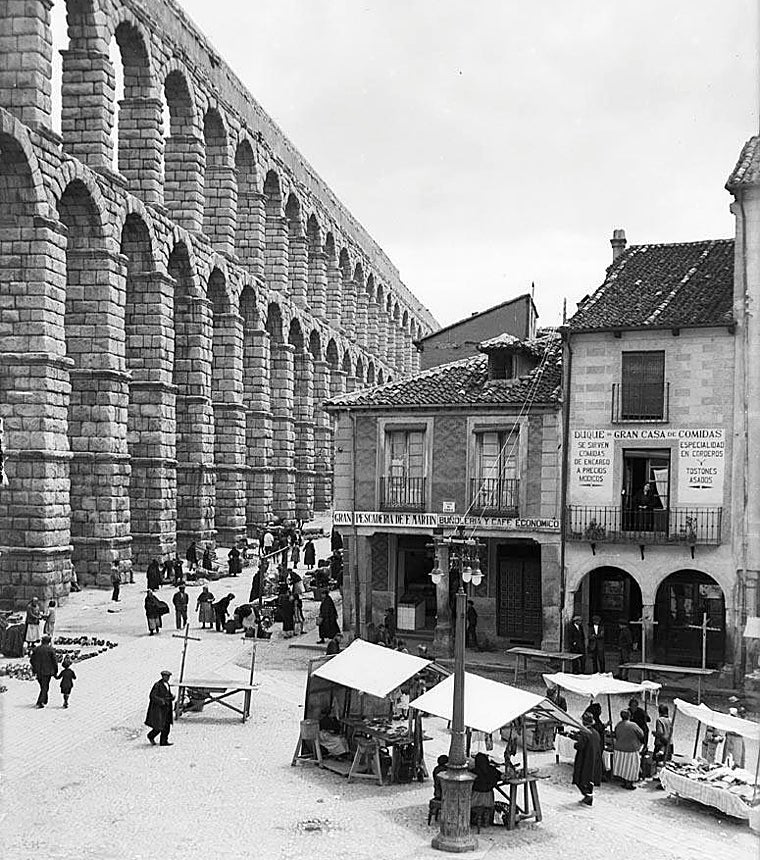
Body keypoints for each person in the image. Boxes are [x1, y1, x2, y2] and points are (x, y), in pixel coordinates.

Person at [573, 711, 603, 805]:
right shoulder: (596, 733)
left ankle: (588, 795)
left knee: (580, 778)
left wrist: (575, 744)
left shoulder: (585, 733)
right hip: (594, 758)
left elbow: (580, 746)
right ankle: (589, 796)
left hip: (584, 758)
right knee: (590, 778)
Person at [613, 709, 644, 789]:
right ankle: (628, 783)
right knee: (631, 767)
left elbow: (616, 735)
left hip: (619, 748)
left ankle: (624, 781)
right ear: (630, 716)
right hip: (631, 749)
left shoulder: (618, 725)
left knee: (623, 766)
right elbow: (641, 734)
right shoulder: (633, 725)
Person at [145, 670, 175, 746]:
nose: (167, 678)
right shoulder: (157, 685)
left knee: (167, 725)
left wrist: (171, 697)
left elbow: (167, 694)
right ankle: (151, 735)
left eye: (168, 677)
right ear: (162, 676)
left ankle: (164, 741)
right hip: (159, 709)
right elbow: (152, 696)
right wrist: (161, 701)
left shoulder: (167, 684)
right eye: (166, 676)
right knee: (159, 726)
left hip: (167, 708)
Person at [470, 752, 501, 821]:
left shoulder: (473, 772)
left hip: (474, 800)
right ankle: (488, 820)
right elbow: (500, 776)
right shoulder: (492, 770)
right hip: (488, 800)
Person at [30, 634, 59, 708]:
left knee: (43, 686)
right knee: (45, 687)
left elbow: (31, 660)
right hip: (47, 671)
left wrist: (34, 668)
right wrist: (55, 671)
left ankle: (44, 699)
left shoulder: (36, 649)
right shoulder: (51, 649)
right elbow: (54, 661)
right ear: (49, 642)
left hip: (38, 671)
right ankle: (41, 701)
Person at [653, 704, 673, 768]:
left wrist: (654, 733)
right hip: (669, 743)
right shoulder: (670, 720)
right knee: (667, 764)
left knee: (658, 764)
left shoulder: (659, 720)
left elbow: (660, 732)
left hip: (661, 744)